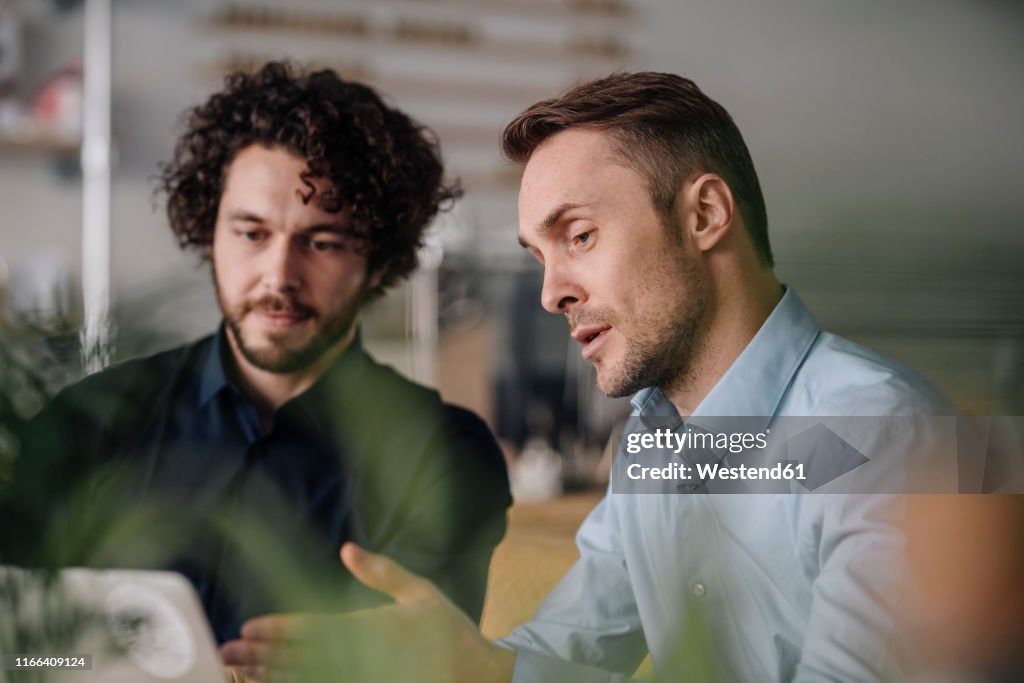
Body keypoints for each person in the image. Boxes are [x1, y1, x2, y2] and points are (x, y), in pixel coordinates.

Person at [221, 71, 955, 682]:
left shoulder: (881, 434)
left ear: (704, 214)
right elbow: (562, 654)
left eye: (579, 235)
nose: (551, 293)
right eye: (541, 256)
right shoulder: (652, 442)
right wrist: (473, 666)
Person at [0, 61, 511, 645]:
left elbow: (429, 661)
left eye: (322, 242)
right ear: (208, 232)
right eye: (251, 233)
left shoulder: (443, 454)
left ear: (379, 263)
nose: (279, 275)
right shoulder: (87, 420)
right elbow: (19, 655)